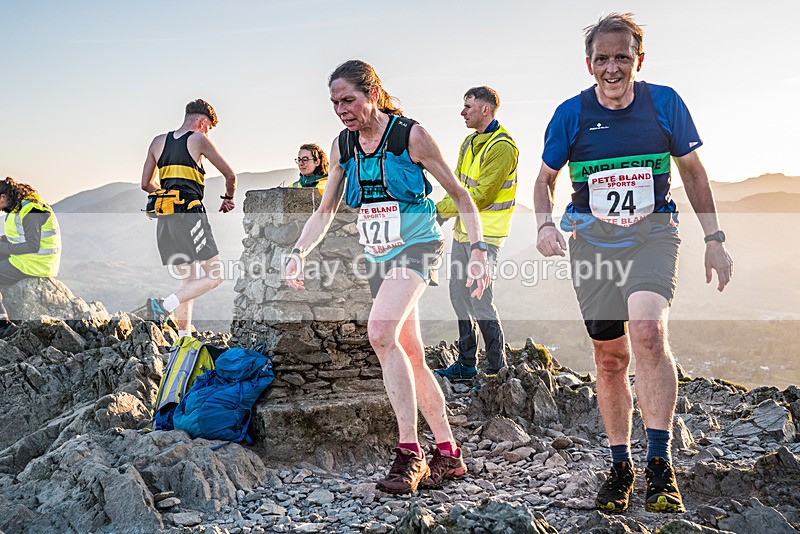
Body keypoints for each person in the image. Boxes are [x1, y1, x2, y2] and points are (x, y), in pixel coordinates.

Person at [534, 13, 733, 514]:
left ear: (638, 59)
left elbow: (694, 173)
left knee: (648, 332)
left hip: (653, 236)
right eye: (602, 58)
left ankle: (659, 464)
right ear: (589, 64)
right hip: (592, 246)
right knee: (609, 358)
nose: (612, 67)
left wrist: (714, 238)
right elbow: (544, 180)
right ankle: (620, 464)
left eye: (622, 56)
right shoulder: (569, 114)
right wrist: (544, 224)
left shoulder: (664, 103)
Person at [283, 59, 490, 495]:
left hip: (417, 248)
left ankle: (409, 453)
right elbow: (325, 211)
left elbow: (460, 194)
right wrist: (299, 252)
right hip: (378, 256)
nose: (341, 109)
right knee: (410, 353)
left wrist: (477, 252)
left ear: (372, 93)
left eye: (349, 100)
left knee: (380, 332)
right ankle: (449, 454)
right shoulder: (342, 145)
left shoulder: (410, 135)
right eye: (335, 102)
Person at [434, 86, 518, 381]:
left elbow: (479, 196)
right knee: (459, 297)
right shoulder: (469, 143)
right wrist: (444, 213)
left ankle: (497, 369)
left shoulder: (503, 147)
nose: (462, 111)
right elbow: (457, 190)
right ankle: (467, 364)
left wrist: (438, 210)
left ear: (486, 109)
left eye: (468, 106)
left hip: (487, 238)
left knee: (480, 299)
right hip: (461, 234)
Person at [141, 99, 237, 338]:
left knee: (189, 280)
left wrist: (167, 195)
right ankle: (163, 307)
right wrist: (228, 197)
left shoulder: (157, 142)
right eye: (209, 128)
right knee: (215, 276)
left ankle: (183, 337)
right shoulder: (198, 139)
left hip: (166, 217)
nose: (207, 132)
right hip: (190, 215)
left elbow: (145, 184)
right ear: (202, 122)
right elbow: (230, 175)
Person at [0, 177, 61, 338]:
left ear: (2, 197)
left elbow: (32, 245)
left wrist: (3, 248)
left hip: (35, 262)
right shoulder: (17, 208)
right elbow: (18, 237)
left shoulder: (31, 210)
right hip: (27, 258)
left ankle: (3, 325)